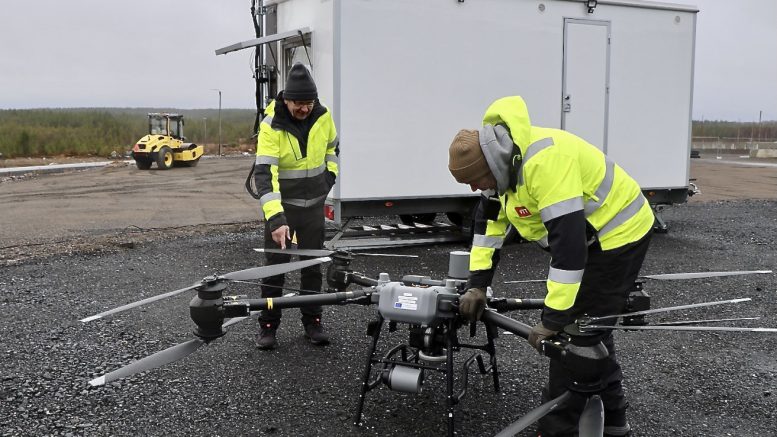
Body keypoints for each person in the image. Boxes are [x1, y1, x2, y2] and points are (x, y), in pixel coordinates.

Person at [449, 96, 653, 437]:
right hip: (589, 239)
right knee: (592, 327)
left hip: (620, 234)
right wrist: (477, 285)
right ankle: (617, 425)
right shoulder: (500, 171)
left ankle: (558, 429)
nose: (474, 188)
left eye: (475, 180)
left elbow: (569, 256)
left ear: (494, 166)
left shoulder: (546, 164)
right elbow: (487, 233)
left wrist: (553, 321)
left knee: (575, 340)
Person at [253, 63, 339, 350]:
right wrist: (277, 220)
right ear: (286, 100)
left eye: (309, 103)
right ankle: (268, 327)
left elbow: (333, 148)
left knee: (313, 267)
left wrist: (330, 178)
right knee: (274, 270)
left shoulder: (323, 117)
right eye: (299, 103)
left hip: (314, 207)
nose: (304, 109)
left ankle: (313, 322)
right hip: (283, 210)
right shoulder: (271, 125)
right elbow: (265, 174)